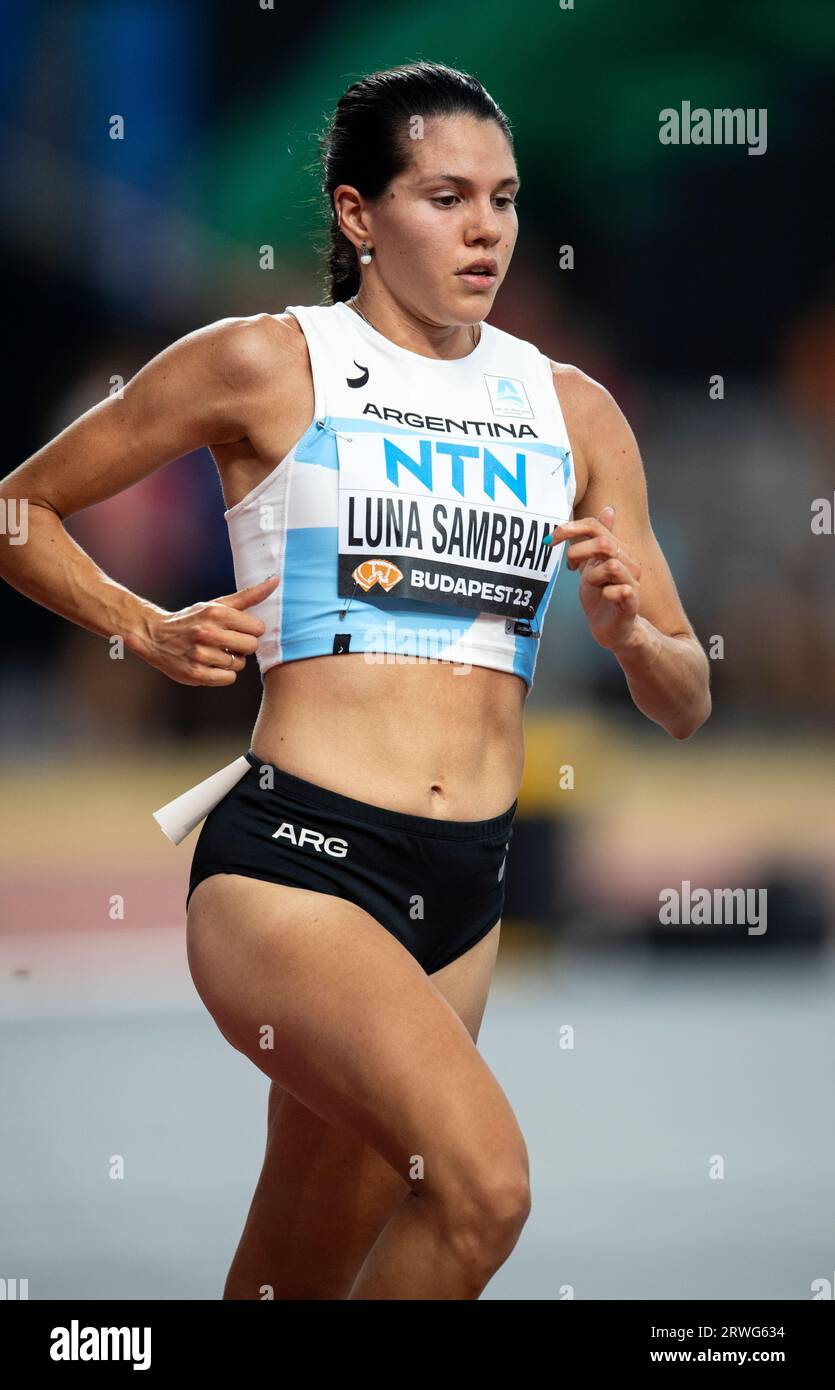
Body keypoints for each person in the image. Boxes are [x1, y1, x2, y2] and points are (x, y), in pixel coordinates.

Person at [0, 60, 711, 1300]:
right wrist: (142, 625)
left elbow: (684, 695)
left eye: (504, 197)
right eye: (444, 195)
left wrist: (631, 632)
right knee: (485, 1190)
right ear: (355, 213)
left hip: (466, 891)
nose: (485, 226)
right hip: (295, 865)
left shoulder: (572, 409)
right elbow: (19, 509)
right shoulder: (265, 364)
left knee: (295, 1272)